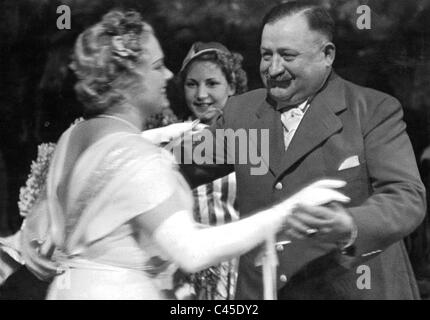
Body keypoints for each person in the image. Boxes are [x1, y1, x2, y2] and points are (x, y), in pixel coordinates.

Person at [17, 9, 349, 300]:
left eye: (212, 84)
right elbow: (191, 250)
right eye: (158, 66)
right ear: (129, 79)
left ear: (232, 87)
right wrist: (288, 212)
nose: (167, 76)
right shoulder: (141, 154)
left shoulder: (73, 137)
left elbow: (64, 206)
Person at [178, 1, 426, 299]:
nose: (273, 68)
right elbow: (180, 165)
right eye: (266, 55)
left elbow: (406, 197)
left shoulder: (372, 111)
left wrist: (350, 224)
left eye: (287, 55)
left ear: (327, 55)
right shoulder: (241, 113)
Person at [175, 41, 248, 299]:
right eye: (192, 84)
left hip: (237, 275)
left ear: (232, 85)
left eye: (212, 83)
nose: (201, 95)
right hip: (183, 277)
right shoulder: (173, 140)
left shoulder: (250, 138)